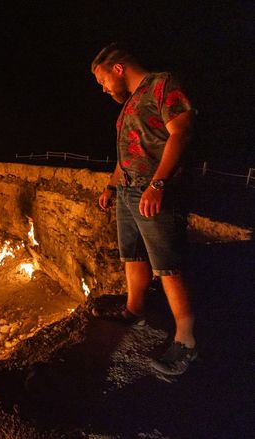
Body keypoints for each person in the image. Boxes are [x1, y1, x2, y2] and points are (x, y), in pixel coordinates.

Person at [91, 43, 197, 376]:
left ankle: (187, 341)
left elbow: (180, 131)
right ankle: (133, 311)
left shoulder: (161, 84)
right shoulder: (129, 106)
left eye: (103, 80)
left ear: (118, 68)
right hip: (127, 190)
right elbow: (128, 154)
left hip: (152, 188)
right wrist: (111, 186)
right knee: (133, 255)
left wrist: (158, 184)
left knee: (167, 264)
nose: (104, 89)